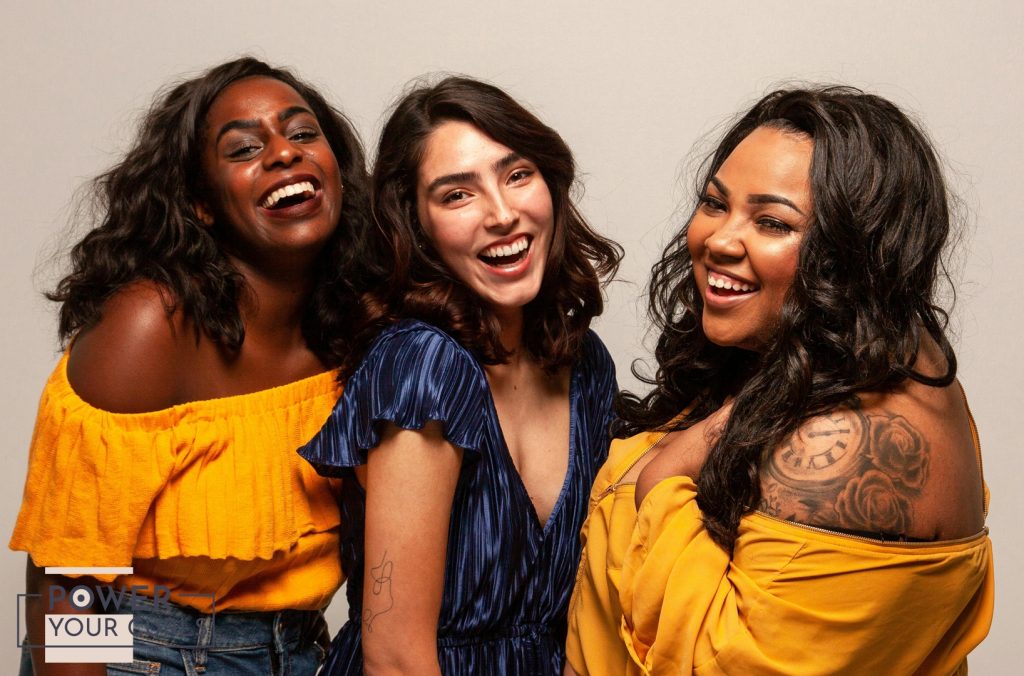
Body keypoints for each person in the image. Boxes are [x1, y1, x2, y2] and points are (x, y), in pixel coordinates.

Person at [566, 87, 993, 674]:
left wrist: (666, 471)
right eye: (715, 204)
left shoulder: (852, 446)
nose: (718, 239)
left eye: (772, 222)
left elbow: (714, 665)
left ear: (851, 252)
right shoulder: (806, 355)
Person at [10, 57, 374, 675]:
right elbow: (65, 574)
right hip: (142, 657)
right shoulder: (150, 327)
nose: (285, 154)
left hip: (300, 653)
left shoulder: (358, 323)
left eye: (303, 133)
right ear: (203, 205)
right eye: (244, 149)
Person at [299, 76, 621, 674]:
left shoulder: (584, 363)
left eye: (517, 174)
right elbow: (395, 657)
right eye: (457, 195)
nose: (502, 214)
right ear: (415, 225)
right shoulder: (423, 364)